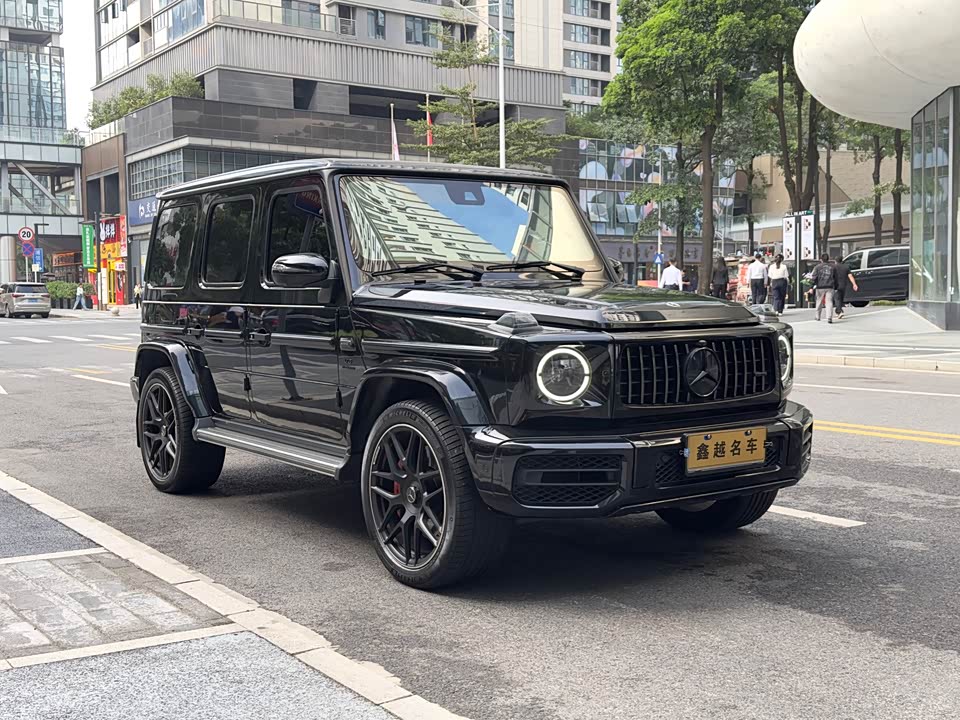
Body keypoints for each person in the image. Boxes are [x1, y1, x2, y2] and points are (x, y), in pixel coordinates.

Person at [808, 253, 839, 323]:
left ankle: (818, 316)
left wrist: (811, 287)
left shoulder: (817, 267)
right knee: (829, 302)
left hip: (820, 287)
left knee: (819, 301)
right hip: (830, 286)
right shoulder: (833, 267)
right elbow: (836, 278)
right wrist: (836, 286)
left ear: (821, 259)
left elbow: (814, 278)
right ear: (828, 259)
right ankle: (829, 317)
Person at [833, 255, 858, 319]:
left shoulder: (834, 267)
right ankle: (837, 311)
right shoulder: (846, 267)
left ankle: (839, 311)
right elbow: (850, 276)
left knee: (837, 299)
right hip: (844, 285)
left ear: (835, 261)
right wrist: (854, 284)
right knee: (841, 298)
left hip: (836, 285)